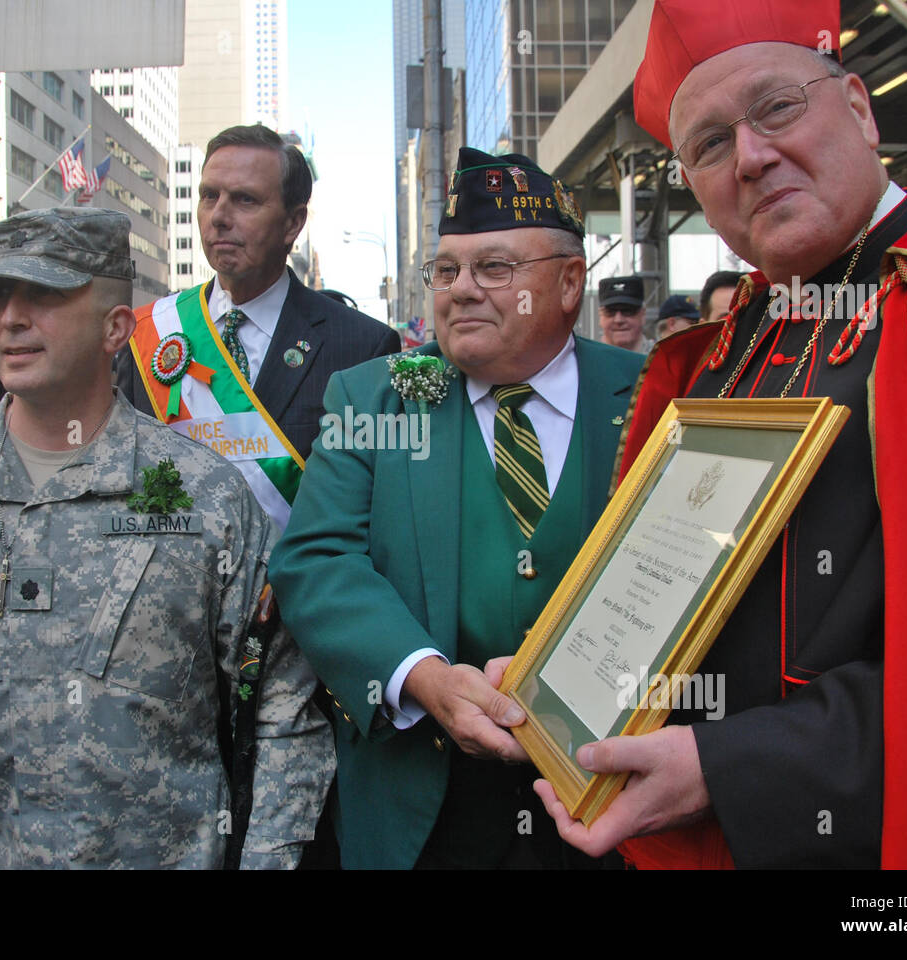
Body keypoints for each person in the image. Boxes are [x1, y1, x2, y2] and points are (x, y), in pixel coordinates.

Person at [534, 0, 907, 869]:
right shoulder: (719, 354)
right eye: (710, 146)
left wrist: (731, 766)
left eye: (778, 108)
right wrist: (562, 688)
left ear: (861, 106)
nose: (752, 159)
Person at [0, 208, 333, 869]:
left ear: (114, 326)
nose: (10, 318)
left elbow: (283, 709)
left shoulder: (202, 500)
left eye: (44, 296)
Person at [268, 147, 644, 869]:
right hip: (426, 809)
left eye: (495, 268)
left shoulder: (654, 395)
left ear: (570, 283)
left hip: (615, 804)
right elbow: (316, 558)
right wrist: (426, 680)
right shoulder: (375, 394)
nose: (461, 290)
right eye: (446, 271)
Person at [117, 123, 400, 533]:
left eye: (245, 200)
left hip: (298, 593)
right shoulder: (148, 332)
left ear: (292, 223)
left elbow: (377, 512)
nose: (218, 217)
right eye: (209, 196)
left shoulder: (362, 347)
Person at [596, 275, 651, 353]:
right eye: (610, 312)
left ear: (643, 314)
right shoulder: (584, 361)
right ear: (600, 316)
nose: (619, 320)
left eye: (627, 311)